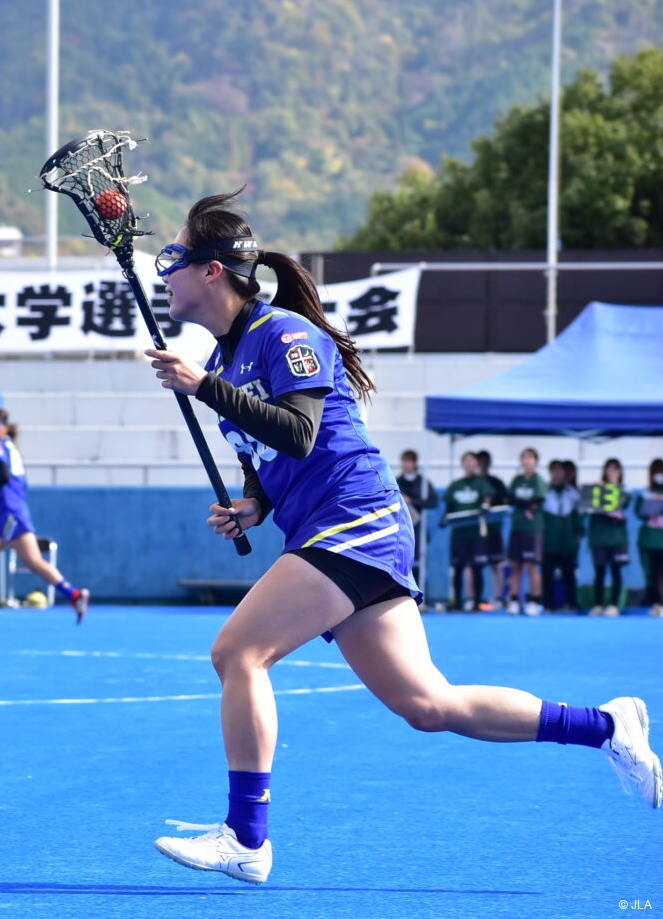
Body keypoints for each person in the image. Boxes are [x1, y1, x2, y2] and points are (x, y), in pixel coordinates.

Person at [139, 190, 659, 885]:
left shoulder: (284, 334)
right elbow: (264, 452)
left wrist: (204, 387)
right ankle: (607, 726)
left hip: (353, 519)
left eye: (176, 256)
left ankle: (246, 837)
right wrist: (254, 504)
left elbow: (300, 431)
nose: (166, 270)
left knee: (238, 652)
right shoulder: (228, 359)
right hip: (333, 528)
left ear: (212, 271)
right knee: (428, 705)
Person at [0, 408, 88, 626]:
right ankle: (74, 595)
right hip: (16, 511)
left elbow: (4, 477)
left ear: (5, 426)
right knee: (33, 562)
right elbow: (15, 484)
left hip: (10, 514)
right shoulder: (10, 448)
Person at [441, 451, 492, 613]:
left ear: (476, 464)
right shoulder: (456, 485)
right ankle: (457, 602)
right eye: (467, 461)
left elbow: (488, 497)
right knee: (458, 568)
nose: (470, 464)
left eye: (472, 461)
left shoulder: (482, 483)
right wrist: (444, 518)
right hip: (459, 533)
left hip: (476, 532)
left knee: (477, 567)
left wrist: (486, 505)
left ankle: (477, 602)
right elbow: (449, 505)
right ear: (462, 464)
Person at [506, 447, 548, 615]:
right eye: (524, 458)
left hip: (533, 529)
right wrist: (524, 505)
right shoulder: (517, 480)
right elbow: (510, 498)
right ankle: (514, 600)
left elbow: (537, 501)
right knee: (516, 565)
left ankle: (535, 601)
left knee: (532, 566)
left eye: (530, 458)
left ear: (536, 462)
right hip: (517, 527)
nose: (527, 461)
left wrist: (525, 504)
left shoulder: (538, 480)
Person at [586, 458, 630, 616]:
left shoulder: (624, 492)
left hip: (617, 539)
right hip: (599, 539)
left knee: (616, 571)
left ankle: (614, 605)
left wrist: (613, 487)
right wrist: (597, 490)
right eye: (609, 469)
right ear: (604, 471)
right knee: (599, 571)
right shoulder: (596, 489)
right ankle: (598, 605)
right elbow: (587, 507)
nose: (612, 472)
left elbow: (624, 503)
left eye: (616, 469)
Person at [541, 459, 585, 614]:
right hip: (550, 540)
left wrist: (579, 532)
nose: (558, 473)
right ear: (550, 472)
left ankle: (572, 603)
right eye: (554, 470)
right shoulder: (544, 491)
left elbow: (578, 516)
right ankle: (548, 604)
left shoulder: (572, 493)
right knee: (548, 573)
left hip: (567, 541)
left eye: (560, 470)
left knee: (569, 573)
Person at [395, 450, 437, 599]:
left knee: (419, 561)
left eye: (409, 461)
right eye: (404, 461)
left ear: (415, 463)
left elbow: (433, 502)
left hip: (418, 530)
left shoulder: (423, 483)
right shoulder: (397, 482)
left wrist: (412, 501)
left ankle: (420, 595)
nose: (406, 464)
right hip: (401, 530)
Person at [475, 449, 510, 610]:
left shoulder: (497, 483)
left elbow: (505, 502)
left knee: (496, 564)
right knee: (474, 566)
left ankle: (499, 597)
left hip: (494, 530)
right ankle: (473, 599)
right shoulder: (472, 483)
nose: (483, 464)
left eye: (485, 461)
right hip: (475, 532)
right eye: (480, 461)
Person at [637, 458, 663, 617]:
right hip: (650, 540)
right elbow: (638, 512)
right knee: (653, 572)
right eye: (657, 471)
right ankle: (656, 602)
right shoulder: (645, 493)